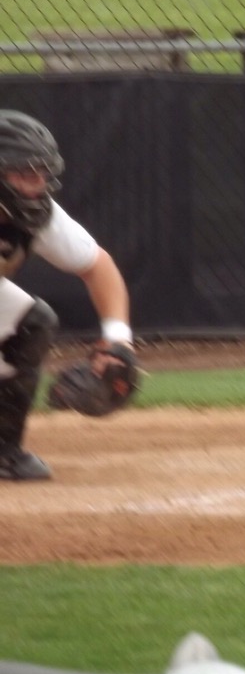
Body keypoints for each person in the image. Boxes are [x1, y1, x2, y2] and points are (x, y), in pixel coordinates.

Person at [0, 109, 135, 480]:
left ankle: (3, 452)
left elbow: (98, 267)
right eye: (24, 173)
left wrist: (117, 342)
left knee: (33, 324)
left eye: (42, 173)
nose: (37, 184)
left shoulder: (35, 216)